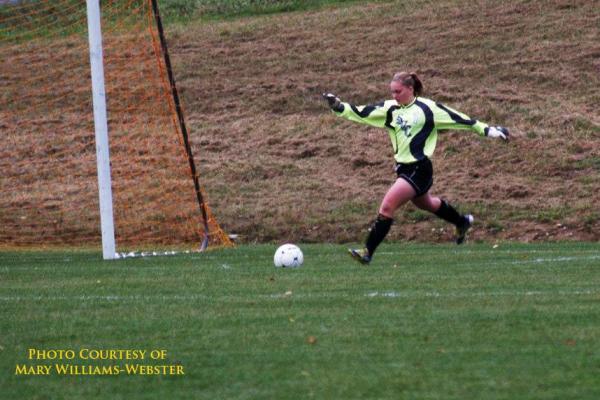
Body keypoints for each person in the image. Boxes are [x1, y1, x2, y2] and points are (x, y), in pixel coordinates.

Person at [322, 71, 509, 265]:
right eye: (392, 92)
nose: (394, 96)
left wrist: (488, 130)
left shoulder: (427, 108)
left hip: (419, 168)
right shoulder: (390, 109)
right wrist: (338, 106)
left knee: (387, 207)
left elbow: (459, 119)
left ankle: (367, 252)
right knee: (426, 203)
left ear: (410, 89)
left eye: (398, 91)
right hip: (403, 169)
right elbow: (362, 112)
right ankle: (462, 221)